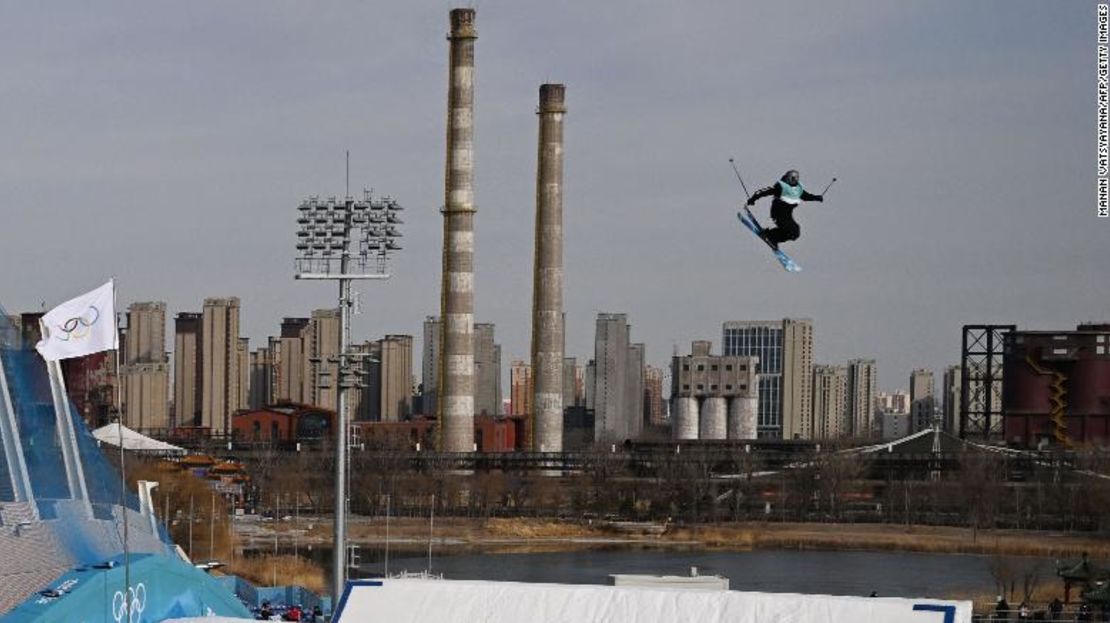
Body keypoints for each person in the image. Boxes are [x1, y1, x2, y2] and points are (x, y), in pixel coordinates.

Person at [745, 169, 823, 250]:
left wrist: (816, 198)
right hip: (778, 213)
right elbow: (764, 191)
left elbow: (806, 196)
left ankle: (773, 238)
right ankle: (770, 235)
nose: (794, 181)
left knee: (795, 232)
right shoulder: (781, 187)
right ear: (788, 178)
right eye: (792, 178)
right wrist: (753, 199)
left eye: (796, 179)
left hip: (787, 215)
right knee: (788, 227)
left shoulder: (797, 190)